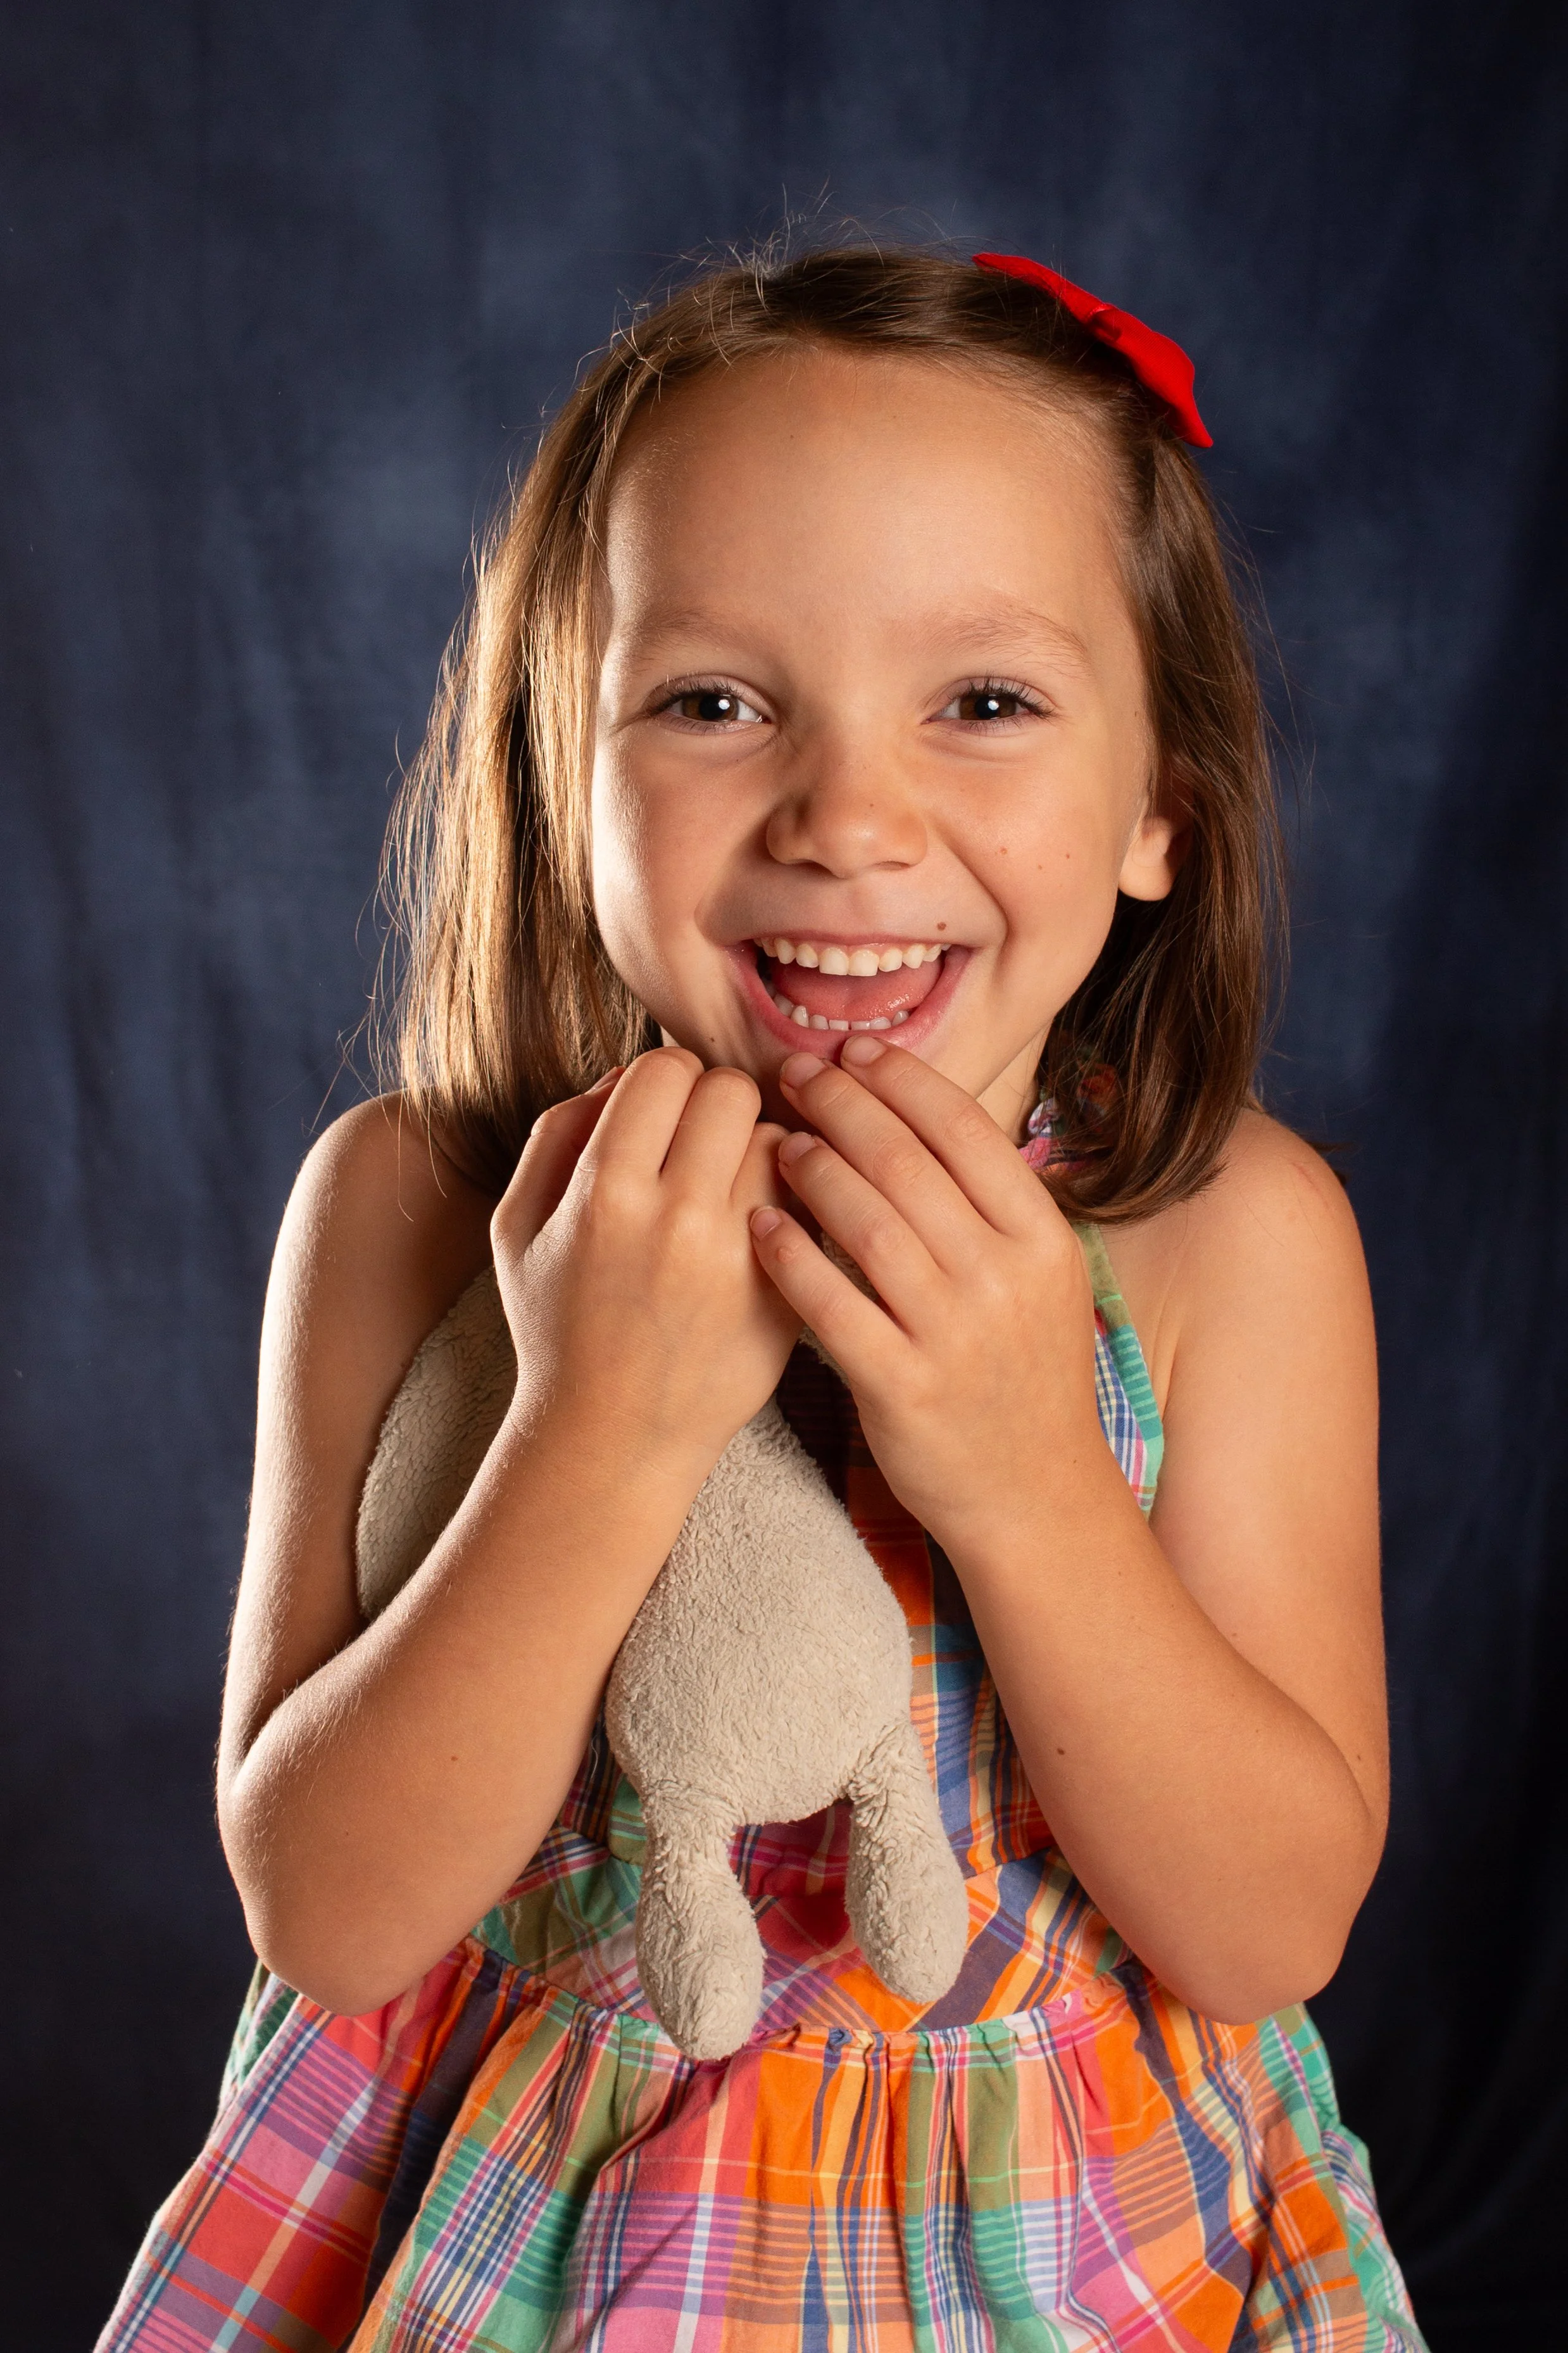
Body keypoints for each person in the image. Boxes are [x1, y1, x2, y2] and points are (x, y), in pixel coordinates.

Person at [100, 244, 1426, 2351]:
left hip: (1059, 2241)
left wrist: (1021, 1469)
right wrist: (590, 1430)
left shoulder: (1226, 1236)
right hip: (515, 2217)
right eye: (714, 700)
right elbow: (331, 1909)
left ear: (1161, 803)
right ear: (568, 771)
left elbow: (1267, 1920)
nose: (846, 817)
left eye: (980, 703)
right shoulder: (410, 1208)